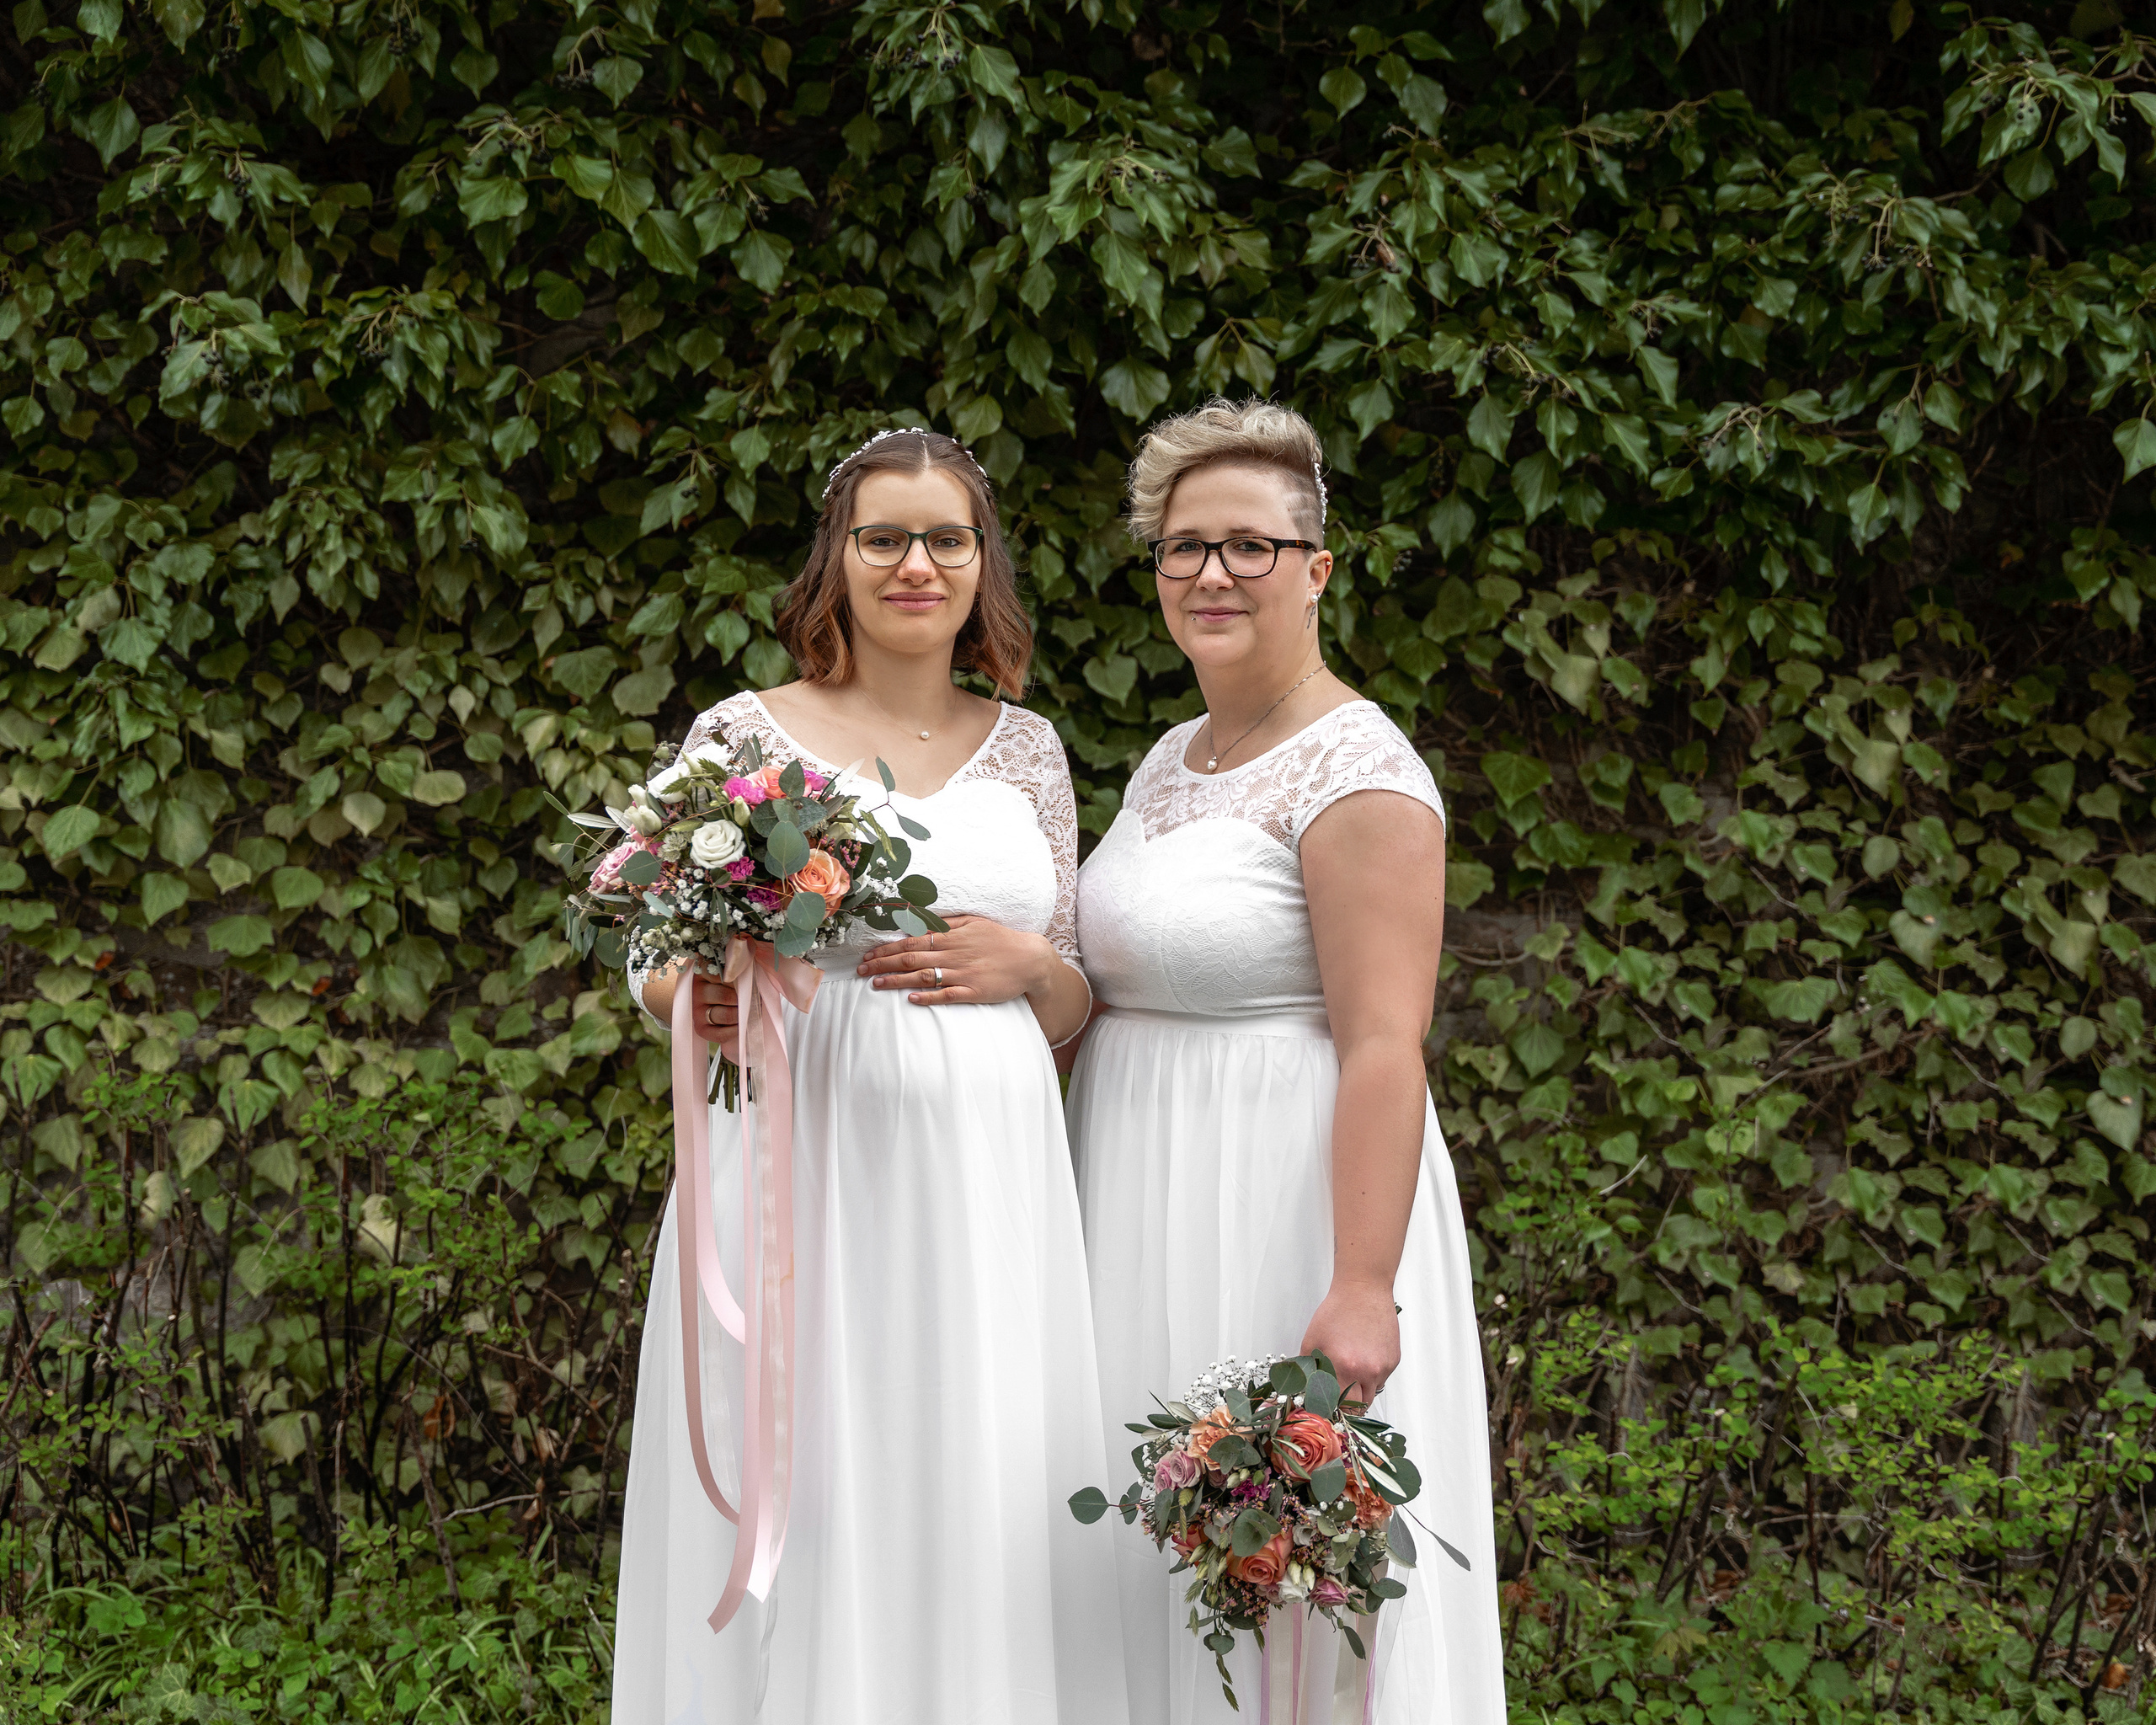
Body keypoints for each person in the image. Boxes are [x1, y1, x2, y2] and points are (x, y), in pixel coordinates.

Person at [611, 429, 1127, 1725]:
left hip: (985, 1186)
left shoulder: (1032, 752)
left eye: (945, 538)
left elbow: (1072, 993)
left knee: (973, 1467)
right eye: (883, 537)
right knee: (816, 1466)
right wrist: (697, 1001)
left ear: (980, 563)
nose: (915, 563)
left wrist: (1027, 966)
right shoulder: (745, 731)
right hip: (799, 1157)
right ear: (835, 560)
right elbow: (652, 947)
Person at [1065, 399, 1505, 1723]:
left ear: (1318, 567)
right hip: (1133, 1188)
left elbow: (1385, 1042)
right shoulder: (1168, 760)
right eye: (1182, 546)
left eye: (1250, 545)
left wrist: (1361, 1285)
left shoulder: (1361, 772)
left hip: (1279, 1203)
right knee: (1141, 1560)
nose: (1211, 573)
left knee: (1282, 1566)